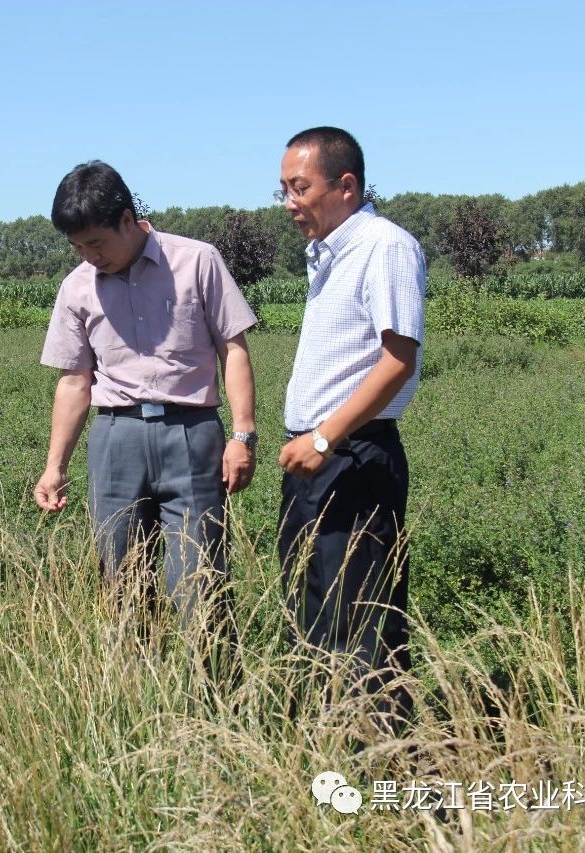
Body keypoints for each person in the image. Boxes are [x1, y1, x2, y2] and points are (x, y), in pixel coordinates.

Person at [34, 160, 258, 675]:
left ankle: (216, 704)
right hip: (115, 439)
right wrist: (55, 465)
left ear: (128, 218)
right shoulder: (77, 288)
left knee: (201, 586)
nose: (90, 257)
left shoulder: (198, 262)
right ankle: (137, 701)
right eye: (78, 248)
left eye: (97, 243)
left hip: (192, 434)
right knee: (122, 581)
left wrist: (242, 434)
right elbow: (73, 382)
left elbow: (234, 349)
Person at [274, 127, 426, 728]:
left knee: (361, 623)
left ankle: (384, 770)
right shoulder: (329, 254)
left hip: (353, 456)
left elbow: (398, 360)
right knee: (314, 614)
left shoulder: (383, 245)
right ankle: (326, 758)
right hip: (318, 455)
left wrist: (323, 437)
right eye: (283, 189)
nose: (290, 202)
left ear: (346, 185)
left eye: (299, 187)